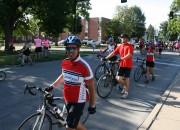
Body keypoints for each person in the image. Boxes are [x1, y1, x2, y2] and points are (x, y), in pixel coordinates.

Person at [45, 35, 96, 130]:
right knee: (74, 123)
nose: (70, 51)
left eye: (73, 48)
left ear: (78, 49)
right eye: (68, 48)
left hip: (78, 101)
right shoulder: (65, 62)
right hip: (67, 99)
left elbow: (92, 88)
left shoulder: (84, 66)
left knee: (69, 126)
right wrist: (52, 86)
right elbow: (64, 76)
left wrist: (92, 105)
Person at [103, 33, 134, 99]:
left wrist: (122, 58)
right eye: (121, 38)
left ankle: (126, 93)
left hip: (128, 65)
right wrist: (106, 58)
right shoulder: (120, 46)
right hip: (122, 65)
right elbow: (113, 53)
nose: (121, 39)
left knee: (126, 78)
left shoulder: (129, 46)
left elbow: (130, 55)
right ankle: (125, 86)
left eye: (122, 38)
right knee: (119, 79)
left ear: (126, 39)